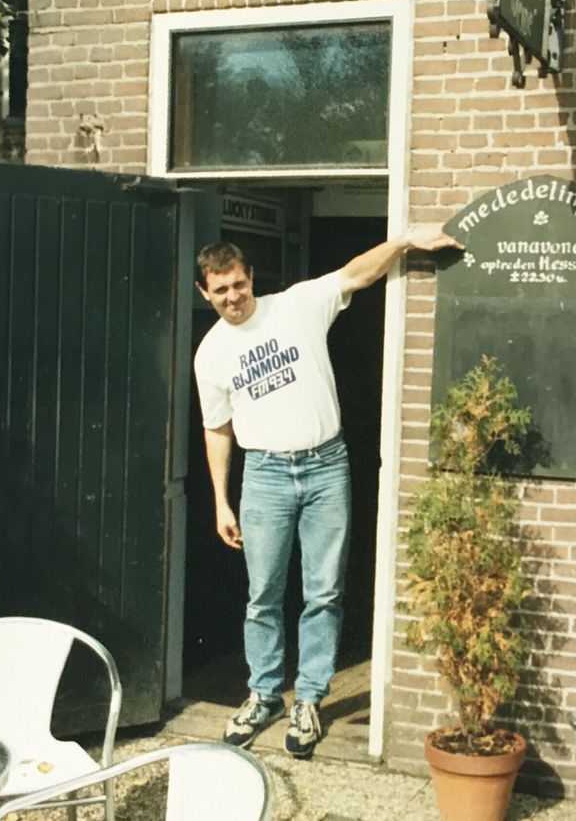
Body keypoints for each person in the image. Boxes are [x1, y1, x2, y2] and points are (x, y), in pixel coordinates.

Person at [193, 223, 461, 758]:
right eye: (220, 290)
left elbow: (357, 273)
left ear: (251, 279)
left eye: (239, 285)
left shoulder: (295, 305)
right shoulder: (212, 353)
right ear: (205, 292)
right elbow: (217, 428)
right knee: (262, 595)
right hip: (264, 475)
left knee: (324, 593)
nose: (232, 297)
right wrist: (222, 499)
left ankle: (309, 698)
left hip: (324, 468)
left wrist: (405, 240)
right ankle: (264, 693)